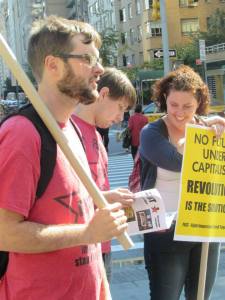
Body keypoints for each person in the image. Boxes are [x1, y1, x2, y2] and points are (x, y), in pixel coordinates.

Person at [0, 16, 128, 300]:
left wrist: (101, 199)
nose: (100, 69)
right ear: (53, 65)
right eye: (87, 58)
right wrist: (87, 233)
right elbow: (5, 233)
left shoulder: (72, 129)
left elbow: (66, 206)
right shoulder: (22, 134)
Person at [139, 65, 225, 300]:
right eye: (173, 104)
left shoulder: (210, 130)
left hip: (203, 225)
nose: (180, 112)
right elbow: (176, 162)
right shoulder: (151, 133)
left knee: (200, 296)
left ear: (199, 103)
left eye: (187, 106)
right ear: (164, 99)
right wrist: (200, 139)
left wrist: (219, 130)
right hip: (165, 231)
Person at [72, 67, 136, 282]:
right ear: (104, 93)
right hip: (79, 250)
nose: (120, 118)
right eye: (120, 107)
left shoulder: (97, 137)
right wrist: (109, 197)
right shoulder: (67, 132)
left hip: (102, 244)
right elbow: (64, 198)